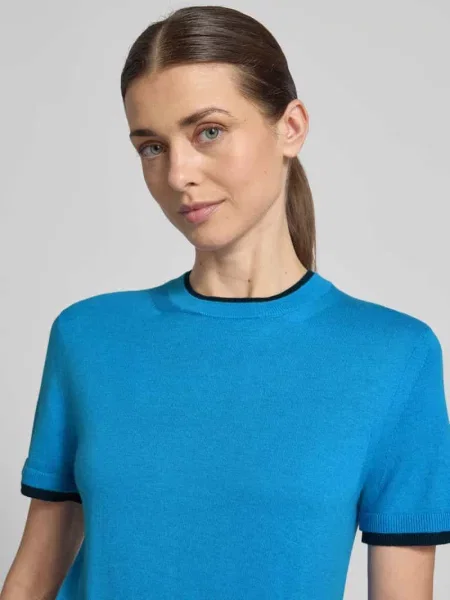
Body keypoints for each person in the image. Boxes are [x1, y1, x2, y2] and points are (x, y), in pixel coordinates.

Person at [2, 5, 449, 600]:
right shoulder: (88, 337)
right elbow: (32, 579)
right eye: (151, 146)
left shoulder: (395, 357)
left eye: (208, 131)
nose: (178, 173)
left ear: (291, 127)